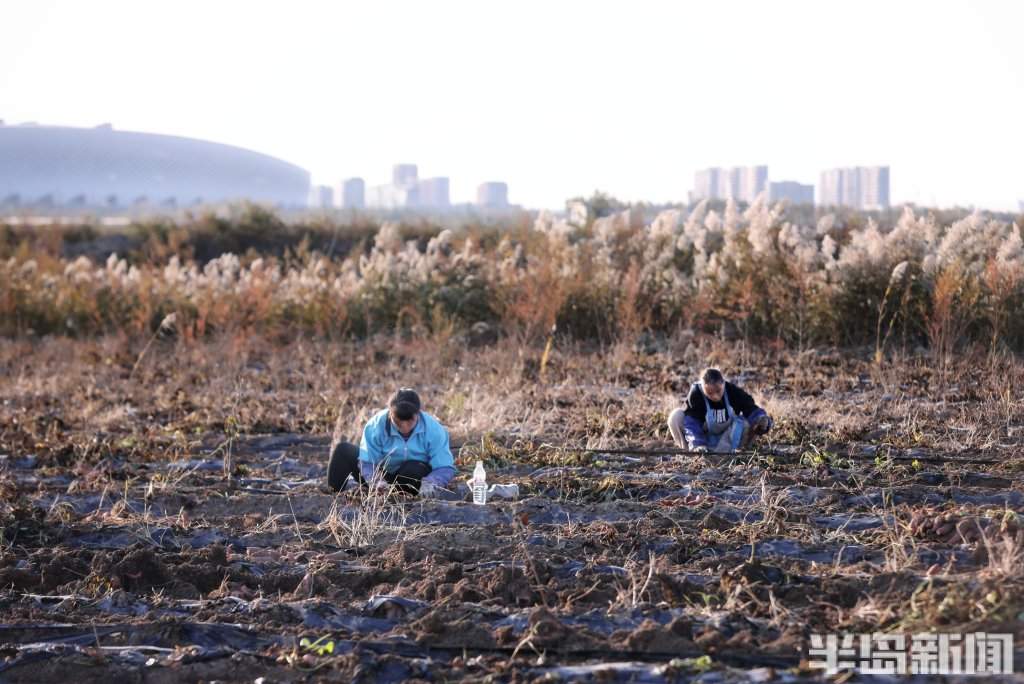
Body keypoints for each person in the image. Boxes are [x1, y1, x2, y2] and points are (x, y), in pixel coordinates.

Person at [327, 388, 456, 498]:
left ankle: (403, 497)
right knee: (342, 450)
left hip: (413, 479)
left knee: (412, 469)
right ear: (390, 413)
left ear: (418, 413)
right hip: (382, 478)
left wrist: (431, 482)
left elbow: (445, 467)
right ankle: (335, 497)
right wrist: (376, 481)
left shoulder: (434, 429)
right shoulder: (375, 425)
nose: (404, 427)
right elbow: (367, 462)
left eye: (410, 422)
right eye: (398, 422)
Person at [667, 368, 773, 453]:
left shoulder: (732, 391)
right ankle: (692, 455)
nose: (716, 397)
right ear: (703, 388)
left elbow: (751, 409)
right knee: (675, 417)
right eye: (709, 393)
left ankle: (728, 454)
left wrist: (761, 420)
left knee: (746, 423)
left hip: (727, 437)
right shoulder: (696, 394)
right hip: (704, 435)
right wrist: (697, 444)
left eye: (718, 391)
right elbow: (692, 422)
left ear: (723, 383)